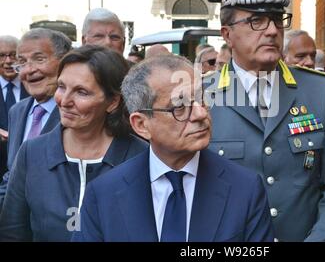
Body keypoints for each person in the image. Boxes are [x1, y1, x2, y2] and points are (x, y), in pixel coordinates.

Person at [205, 0, 325, 241]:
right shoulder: (202, 97)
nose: (273, 30)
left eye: (277, 20)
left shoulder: (319, 91)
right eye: (257, 21)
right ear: (227, 33)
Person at [72, 54, 273, 242]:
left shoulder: (245, 189)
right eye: (180, 107)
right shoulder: (103, 195)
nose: (200, 114)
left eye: (201, 99)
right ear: (141, 125)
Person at [0, 46, 148, 241]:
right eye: (61, 87)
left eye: (81, 92)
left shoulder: (140, 157)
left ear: (113, 102)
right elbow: (13, 232)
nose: (64, 100)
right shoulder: (32, 153)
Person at [0, 29, 72, 209]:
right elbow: (13, 177)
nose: (28, 70)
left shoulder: (77, 112)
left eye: (39, 59)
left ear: (66, 61)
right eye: (22, 62)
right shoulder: (17, 111)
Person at [0, 36, 29, 176]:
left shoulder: (34, 84)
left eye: (13, 55)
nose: (8, 61)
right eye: (1, 56)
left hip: (26, 167)